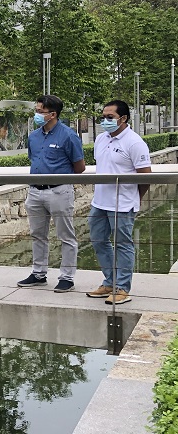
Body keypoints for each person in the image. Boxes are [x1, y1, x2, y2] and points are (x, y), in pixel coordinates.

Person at [18, 95, 86, 293]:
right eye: (36, 110)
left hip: (59, 191)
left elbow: (79, 167)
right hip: (35, 191)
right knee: (37, 234)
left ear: (53, 114)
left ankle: (67, 277)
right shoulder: (34, 136)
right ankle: (39, 274)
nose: (37, 114)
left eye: (40, 111)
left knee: (66, 235)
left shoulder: (68, 136)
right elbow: (34, 159)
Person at [86, 99, 152, 305]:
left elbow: (145, 177)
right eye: (103, 117)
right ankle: (110, 282)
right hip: (99, 202)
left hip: (122, 204)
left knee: (123, 244)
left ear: (123, 118)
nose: (105, 120)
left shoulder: (134, 143)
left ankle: (123, 288)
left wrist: (134, 199)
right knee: (98, 240)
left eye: (110, 117)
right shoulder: (101, 139)